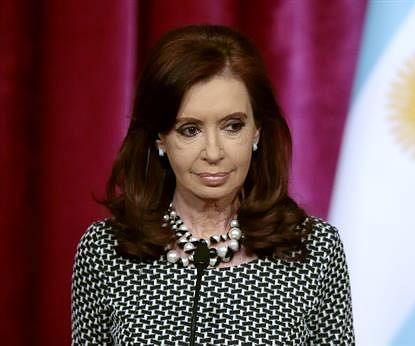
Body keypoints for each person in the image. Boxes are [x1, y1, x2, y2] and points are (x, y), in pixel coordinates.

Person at [72, 24, 354, 345]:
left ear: (257, 131)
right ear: (160, 138)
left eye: (232, 126)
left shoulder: (314, 249)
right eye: (190, 130)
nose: (214, 152)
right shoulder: (106, 251)